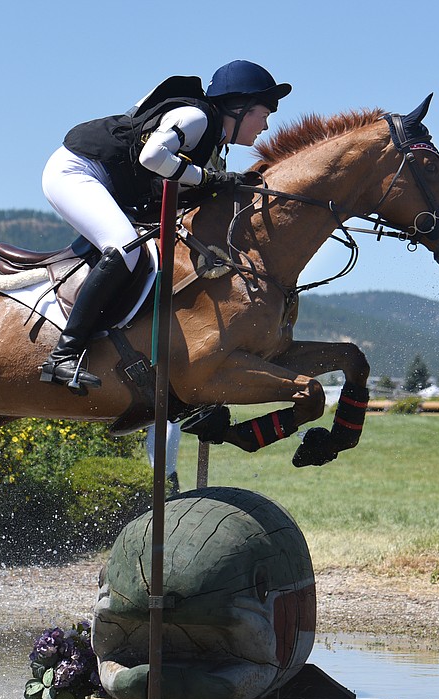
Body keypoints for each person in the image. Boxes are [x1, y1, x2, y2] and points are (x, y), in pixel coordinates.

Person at [39, 60, 291, 392]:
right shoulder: (197, 117)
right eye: (264, 114)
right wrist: (210, 178)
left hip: (110, 182)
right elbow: (152, 157)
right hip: (76, 171)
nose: (266, 126)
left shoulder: (211, 140)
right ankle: (63, 355)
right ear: (240, 106)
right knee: (125, 249)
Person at [145, 421, 182, 495]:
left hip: (171, 421)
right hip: (153, 423)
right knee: (155, 466)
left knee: (168, 468)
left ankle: (172, 492)